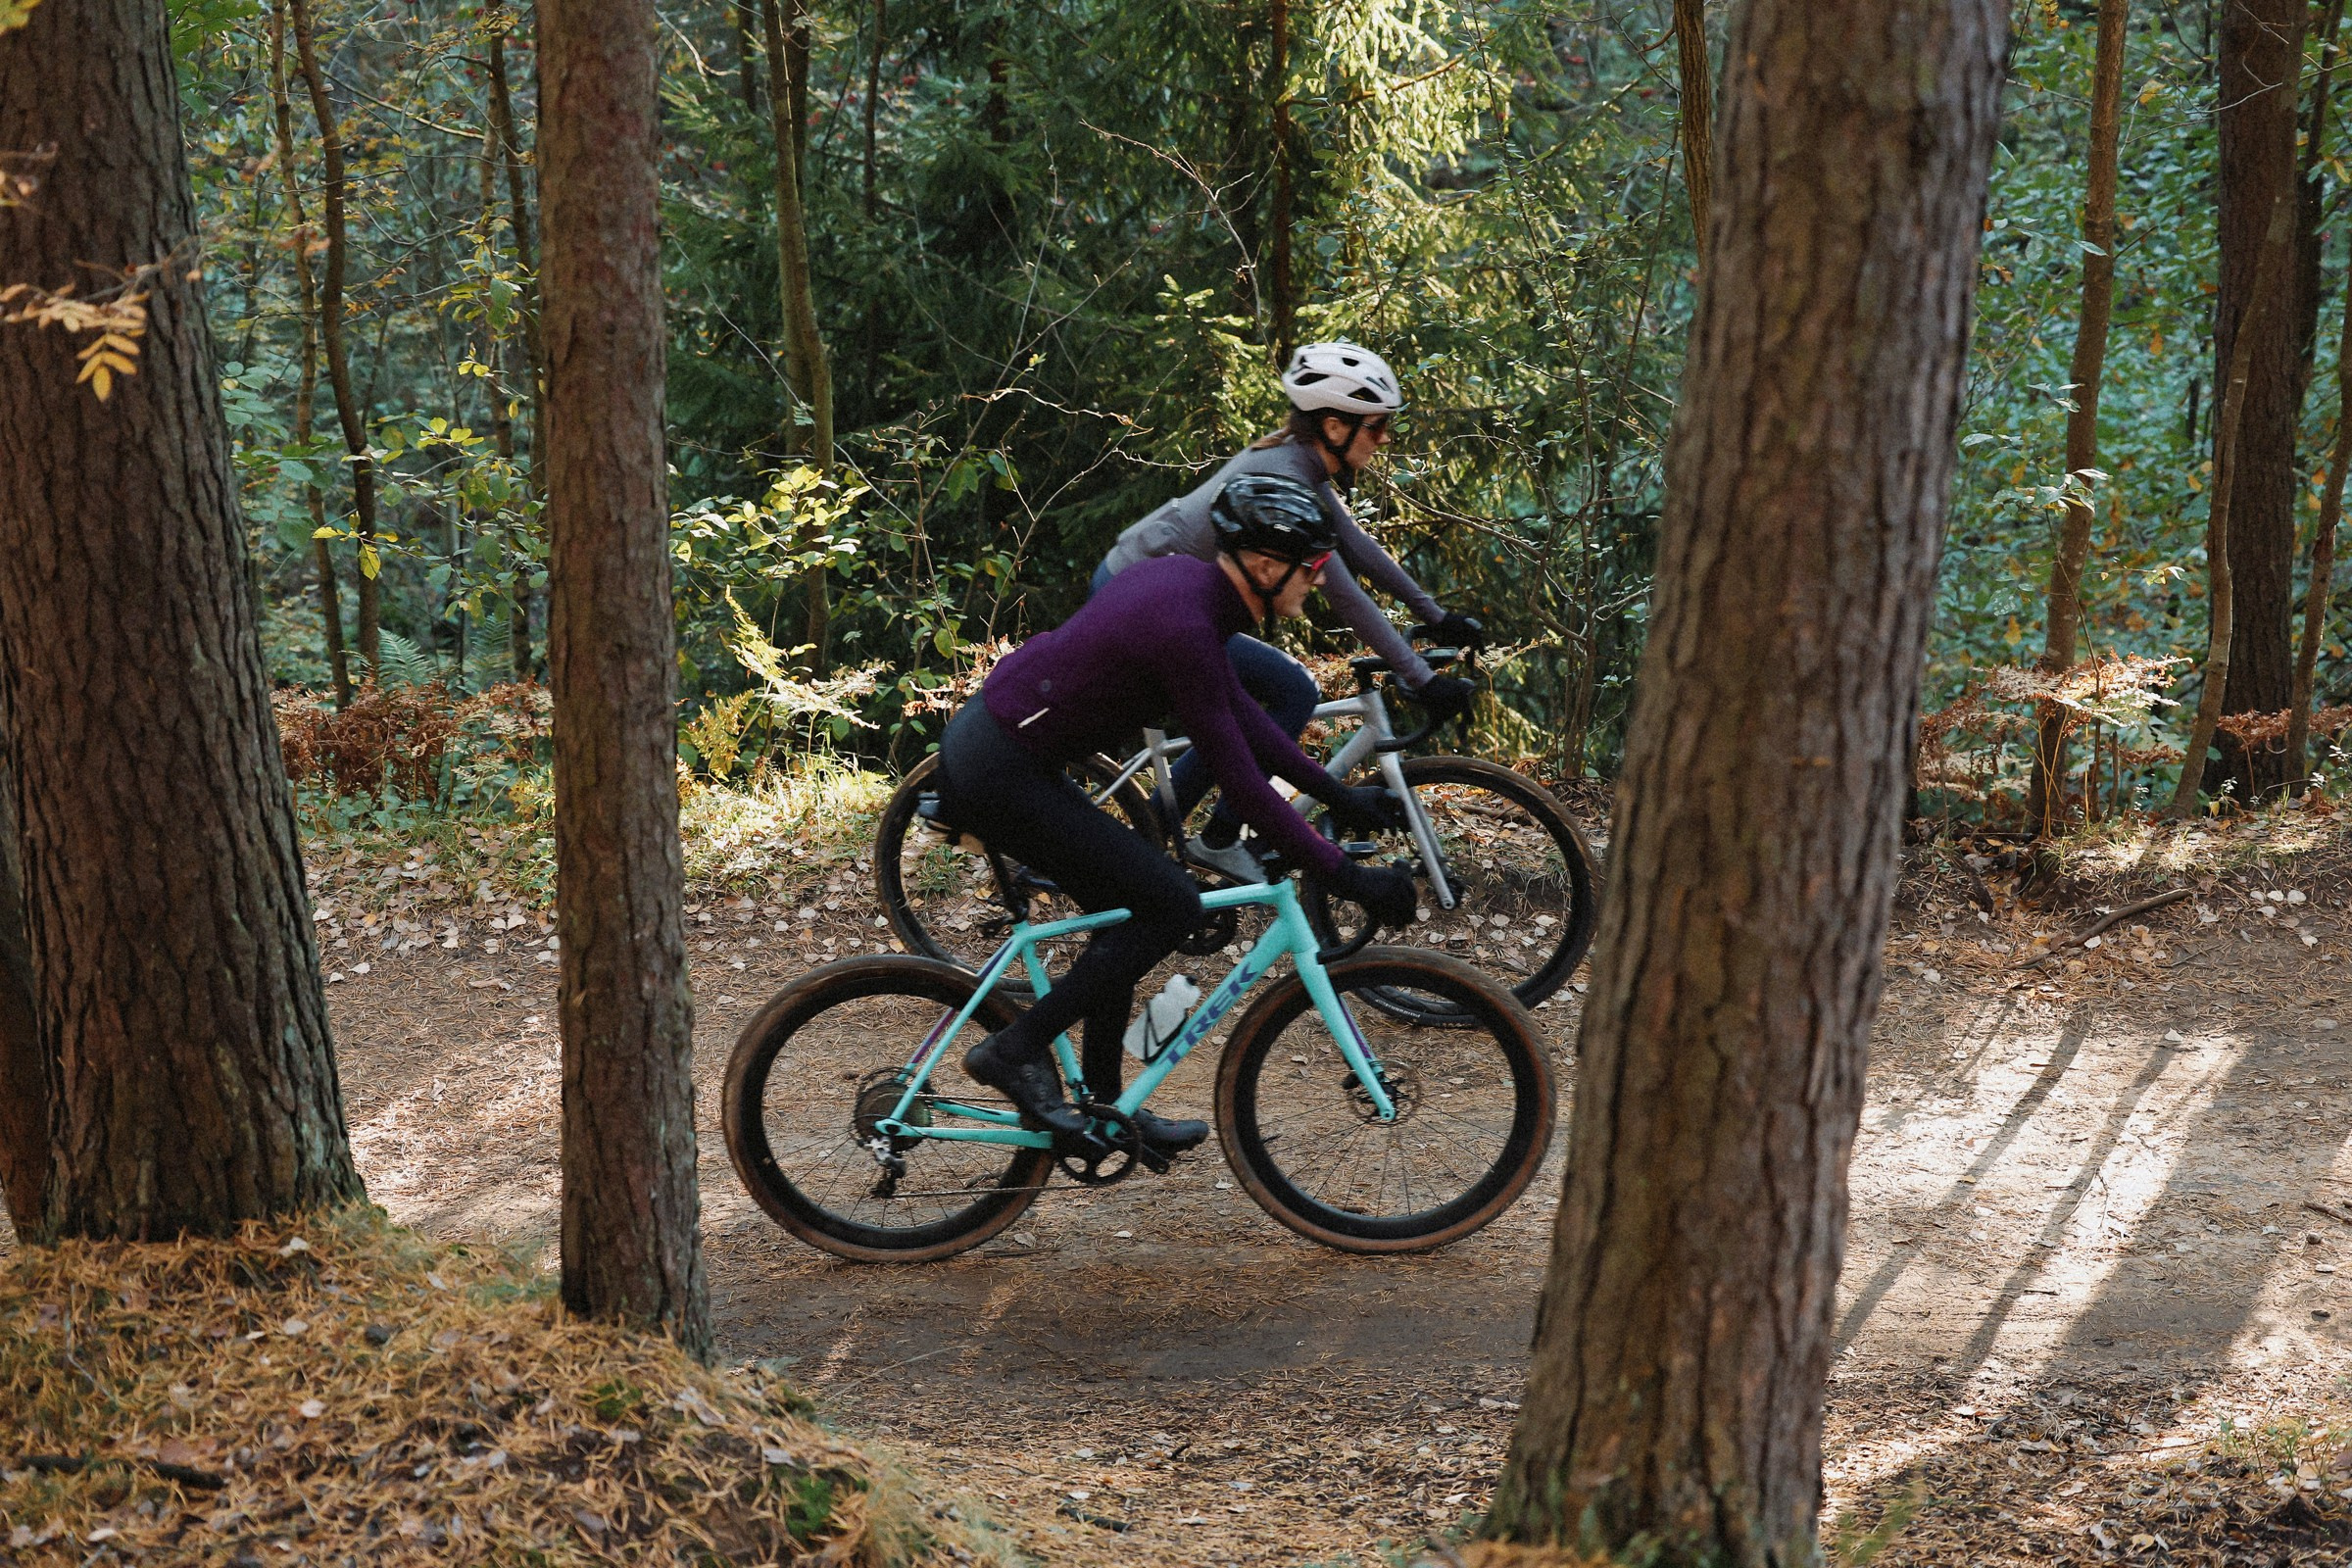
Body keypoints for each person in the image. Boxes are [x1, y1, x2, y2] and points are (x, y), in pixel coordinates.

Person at [938, 475, 1419, 1155]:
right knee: (1170, 905)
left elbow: (1248, 722)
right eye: (1310, 570)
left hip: (1007, 749)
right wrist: (1342, 873)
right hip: (1001, 768)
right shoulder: (1187, 624)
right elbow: (1246, 787)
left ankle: (1107, 1108)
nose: (1315, 584)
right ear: (1263, 565)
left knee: (1129, 909)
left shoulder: (1195, 594)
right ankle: (1013, 1051)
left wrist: (1345, 799)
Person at [1095, 340, 1485, 884]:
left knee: (1273, 695)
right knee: (1285, 692)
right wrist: (1417, 675)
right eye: (1375, 427)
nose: (1383, 439)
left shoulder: (1302, 466)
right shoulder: (1284, 476)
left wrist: (1435, 615)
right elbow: (1345, 593)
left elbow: (1357, 545)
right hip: (1139, 596)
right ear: (1333, 426)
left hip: (1167, 593)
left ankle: (1172, 834)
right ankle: (1198, 838)